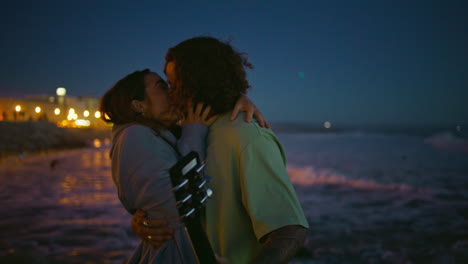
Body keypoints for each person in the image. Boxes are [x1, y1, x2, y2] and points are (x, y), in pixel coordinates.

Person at [132, 37, 309, 264]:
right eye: (166, 85)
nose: (169, 94)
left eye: (174, 85)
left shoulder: (245, 137)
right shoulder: (184, 131)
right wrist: (142, 221)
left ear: (198, 84)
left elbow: (290, 229)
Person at [100, 69, 267, 263]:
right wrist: (194, 133)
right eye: (162, 88)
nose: (171, 93)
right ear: (138, 105)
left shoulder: (159, 135)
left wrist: (238, 99)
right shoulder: (134, 135)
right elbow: (178, 208)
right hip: (178, 251)